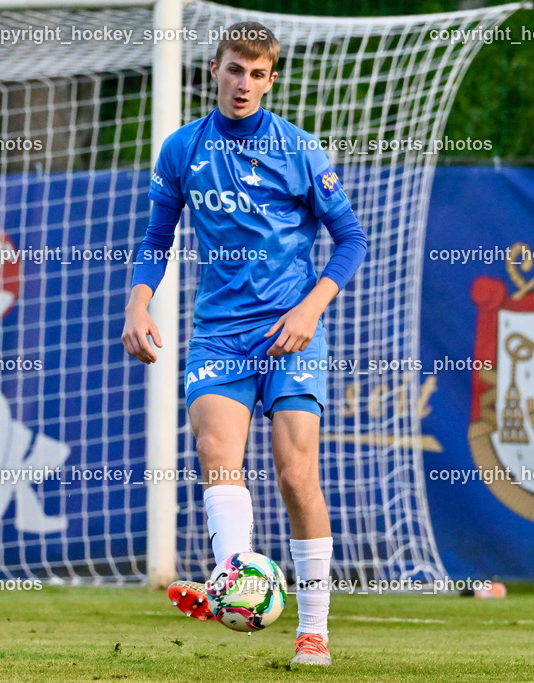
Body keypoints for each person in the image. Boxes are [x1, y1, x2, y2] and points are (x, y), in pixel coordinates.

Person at [121, 22, 367, 666]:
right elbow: (157, 238)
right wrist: (138, 302)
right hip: (219, 335)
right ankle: (239, 582)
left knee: (295, 474)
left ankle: (313, 629)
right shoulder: (182, 148)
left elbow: (352, 239)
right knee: (215, 452)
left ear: (271, 80)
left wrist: (310, 310)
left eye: (258, 74)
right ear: (215, 70)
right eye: (235, 69)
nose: (244, 83)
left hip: (290, 333)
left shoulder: (300, 150)